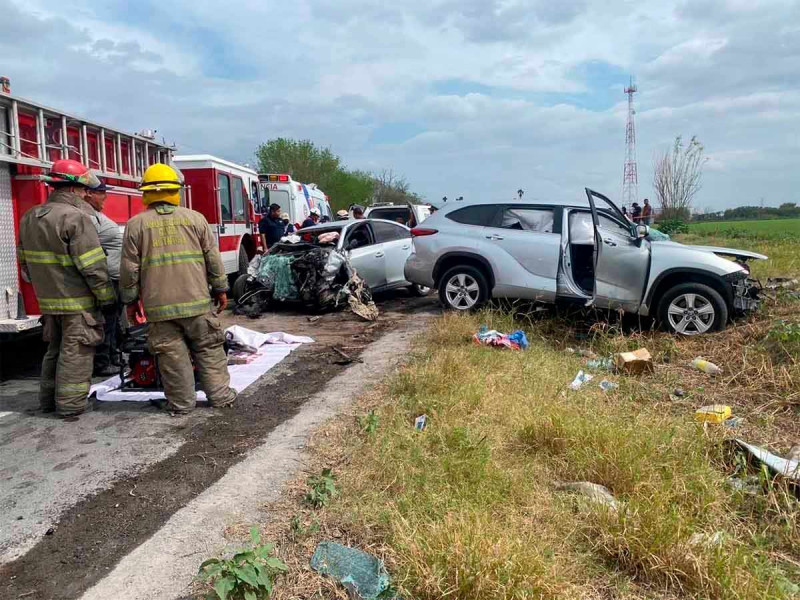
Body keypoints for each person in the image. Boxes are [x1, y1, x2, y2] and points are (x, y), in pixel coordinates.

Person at [120, 163, 236, 416]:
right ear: (177, 191)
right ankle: (221, 397)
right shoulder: (196, 219)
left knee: (172, 357)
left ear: (146, 193)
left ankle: (182, 405)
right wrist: (220, 288)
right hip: (197, 303)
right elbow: (212, 259)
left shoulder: (136, 225)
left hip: (159, 310)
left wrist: (130, 301)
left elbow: (130, 270)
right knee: (209, 349)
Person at [18, 159, 115, 418]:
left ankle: (48, 401)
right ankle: (70, 406)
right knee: (76, 351)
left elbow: (25, 265)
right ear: (72, 190)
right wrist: (107, 298)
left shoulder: (30, 216)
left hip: (49, 301)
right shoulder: (76, 218)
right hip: (77, 301)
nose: (87, 195)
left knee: (55, 350)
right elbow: (93, 267)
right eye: (84, 189)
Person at [84, 181, 123, 376]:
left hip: (113, 279)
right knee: (106, 322)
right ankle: (102, 362)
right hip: (104, 280)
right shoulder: (87, 218)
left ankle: (112, 356)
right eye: (102, 194)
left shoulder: (95, 216)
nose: (105, 198)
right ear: (89, 194)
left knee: (113, 322)